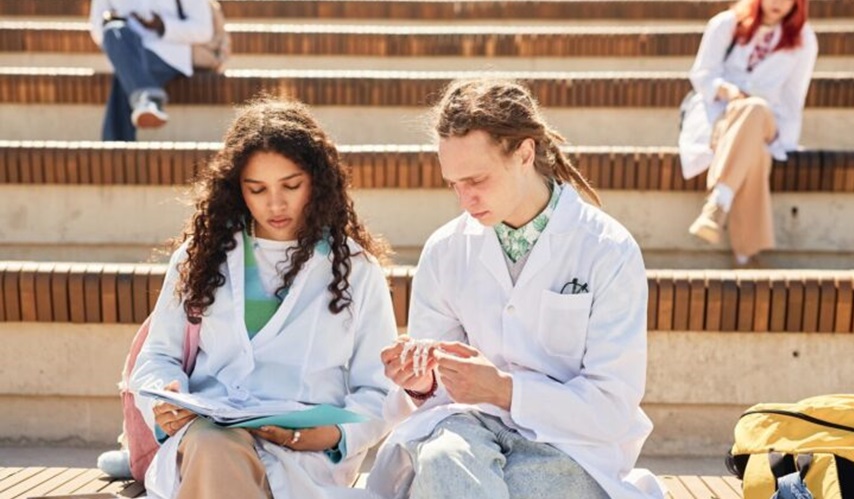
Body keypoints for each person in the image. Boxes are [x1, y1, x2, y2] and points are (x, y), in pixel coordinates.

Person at [367, 79, 665, 499]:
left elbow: (611, 407)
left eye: (477, 180)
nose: (464, 199)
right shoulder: (445, 250)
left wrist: (505, 390)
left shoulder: (607, 250)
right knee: (440, 461)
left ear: (525, 153)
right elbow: (440, 397)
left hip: (569, 446)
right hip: (469, 429)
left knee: (512, 486)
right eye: (453, 183)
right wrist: (421, 384)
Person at [129, 98, 397, 498]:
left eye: (291, 186)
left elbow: (379, 389)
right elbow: (158, 355)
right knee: (215, 446)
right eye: (257, 189)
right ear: (236, 189)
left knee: (217, 458)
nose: (275, 204)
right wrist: (164, 398)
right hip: (207, 437)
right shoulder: (200, 256)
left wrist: (333, 434)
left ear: (317, 182)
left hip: (303, 457)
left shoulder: (356, 270)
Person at [678, 0, 817, 266]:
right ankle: (746, 255)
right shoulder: (725, 24)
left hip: (768, 120)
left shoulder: (803, 39)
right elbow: (702, 74)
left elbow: (792, 97)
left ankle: (717, 206)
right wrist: (726, 90)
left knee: (755, 108)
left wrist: (783, 142)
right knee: (754, 151)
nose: (778, 3)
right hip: (721, 115)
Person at [89, 0, 213, 141]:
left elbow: (204, 30)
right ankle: (148, 99)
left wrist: (162, 26)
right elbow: (98, 29)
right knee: (113, 30)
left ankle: (112, 154)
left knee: (127, 72)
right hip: (126, 51)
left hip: (168, 55)